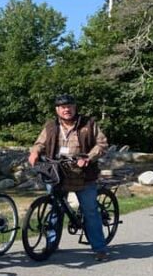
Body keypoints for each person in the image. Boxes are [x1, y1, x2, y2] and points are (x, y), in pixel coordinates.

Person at [28, 93, 110, 260]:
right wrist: (35, 152)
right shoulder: (51, 126)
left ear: (75, 107)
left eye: (70, 106)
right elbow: (39, 143)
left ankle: (99, 248)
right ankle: (51, 245)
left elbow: (102, 144)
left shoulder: (88, 124)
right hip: (58, 174)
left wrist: (88, 157)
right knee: (55, 210)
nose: (67, 110)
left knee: (90, 211)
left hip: (84, 174)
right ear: (57, 110)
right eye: (63, 107)